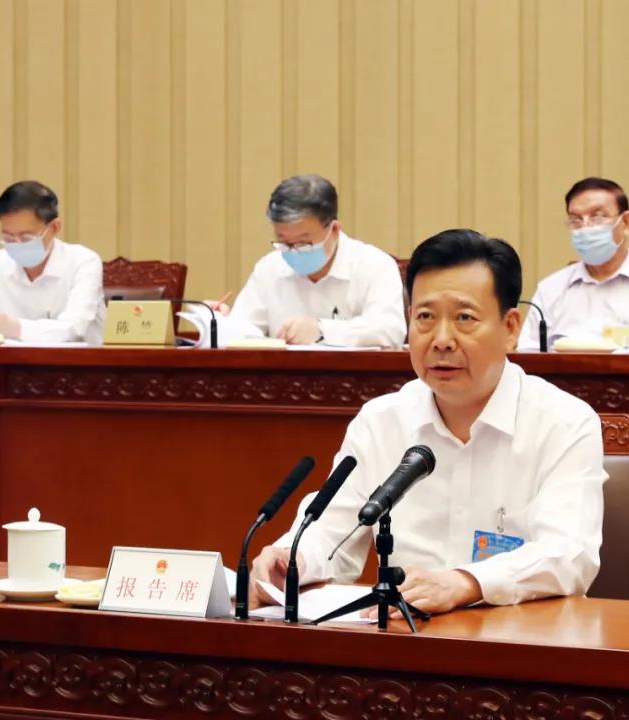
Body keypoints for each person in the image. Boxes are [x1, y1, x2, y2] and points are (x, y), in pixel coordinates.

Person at [251, 229, 607, 614]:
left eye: (464, 318)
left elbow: (569, 554)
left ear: (510, 328)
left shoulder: (564, 422)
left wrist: (465, 583)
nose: (441, 339)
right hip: (406, 636)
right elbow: (333, 532)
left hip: (520, 636)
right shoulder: (381, 421)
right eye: (425, 317)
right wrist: (294, 558)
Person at [518, 177, 629, 353]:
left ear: (626, 223)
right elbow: (529, 355)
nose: (585, 228)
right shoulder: (550, 289)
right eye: (576, 220)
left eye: (597, 217)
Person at [225, 175, 406, 347]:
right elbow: (242, 330)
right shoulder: (269, 269)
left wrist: (322, 330)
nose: (293, 251)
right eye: (284, 243)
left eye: (303, 243)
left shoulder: (375, 266)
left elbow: (390, 331)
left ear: (334, 230)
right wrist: (219, 322)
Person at [0, 180, 105, 344]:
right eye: (8, 238)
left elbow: (73, 329)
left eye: (26, 237)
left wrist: (14, 327)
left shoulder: (84, 262)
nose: (17, 245)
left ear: (54, 227)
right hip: (9, 361)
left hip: (76, 361)